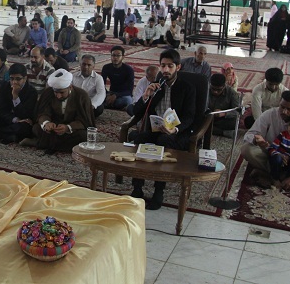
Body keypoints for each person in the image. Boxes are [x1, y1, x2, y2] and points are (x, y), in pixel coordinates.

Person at [129, 49, 196, 209]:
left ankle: (159, 191)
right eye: (163, 66)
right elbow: (136, 112)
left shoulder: (187, 88)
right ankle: (137, 188)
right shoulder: (157, 86)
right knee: (139, 138)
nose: (165, 70)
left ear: (178, 67)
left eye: (170, 66)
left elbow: (190, 116)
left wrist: (175, 130)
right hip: (155, 130)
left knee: (163, 141)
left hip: (176, 133)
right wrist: (146, 96)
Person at [241, 90, 290, 189]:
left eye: (289, 109)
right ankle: (281, 177)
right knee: (246, 149)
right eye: (282, 107)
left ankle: (269, 175)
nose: (284, 112)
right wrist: (256, 140)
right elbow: (250, 134)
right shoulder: (270, 114)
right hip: (272, 156)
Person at [21, 69, 95, 154]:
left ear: (70, 87)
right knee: (36, 128)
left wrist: (68, 127)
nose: (58, 96)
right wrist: (46, 123)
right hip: (53, 129)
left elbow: (84, 120)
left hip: (71, 130)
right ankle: (58, 145)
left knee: (84, 136)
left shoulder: (81, 95)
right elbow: (43, 113)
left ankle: (39, 143)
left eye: (62, 92)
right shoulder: (48, 93)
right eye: (56, 92)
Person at [101, 46, 134, 110]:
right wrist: (107, 94)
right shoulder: (106, 67)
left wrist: (116, 95)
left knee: (128, 100)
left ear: (123, 57)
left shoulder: (128, 70)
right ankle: (111, 104)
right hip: (111, 93)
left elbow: (129, 91)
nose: (115, 58)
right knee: (96, 96)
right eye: (113, 55)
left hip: (123, 95)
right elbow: (101, 85)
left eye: (118, 56)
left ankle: (109, 104)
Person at [208, 73, 241, 138]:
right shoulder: (205, 89)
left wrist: (224, 113)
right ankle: (222, 132)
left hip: (222, 119)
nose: (215, 92)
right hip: (207, 117)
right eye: (213, 89)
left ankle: (210, 129)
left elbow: (237, 111)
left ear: (224, 86)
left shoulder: (232, 93)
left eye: (219, 90)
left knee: (234, 123)